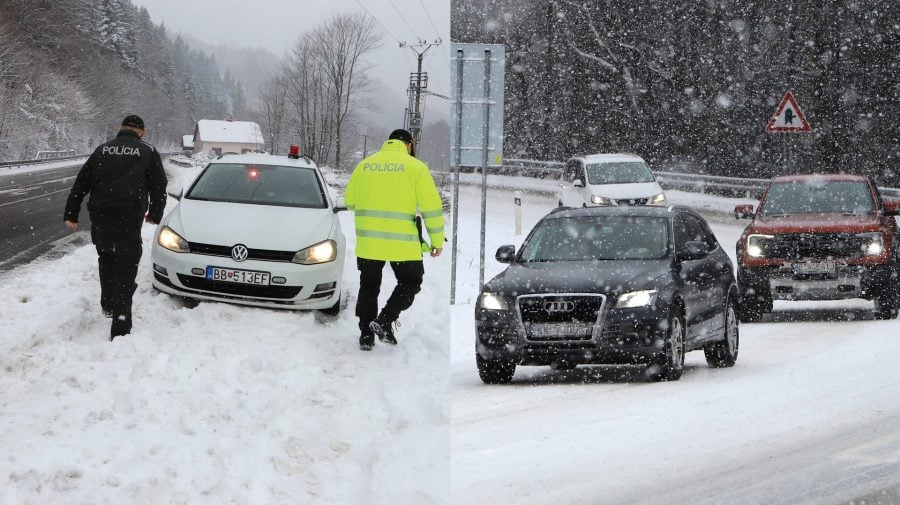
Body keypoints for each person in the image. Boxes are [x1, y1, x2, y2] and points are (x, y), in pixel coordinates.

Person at [63, 115, 167, 340]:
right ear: (142, 131)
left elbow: (81, 183)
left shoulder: (103, 150)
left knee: (106, 257)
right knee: (126, 265)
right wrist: (155, 214)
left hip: (100, 213)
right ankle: (120, 325)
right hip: (129, 215)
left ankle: (108, 304)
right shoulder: (147, 150)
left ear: (121, 129)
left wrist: (71, 213)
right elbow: (159, 185)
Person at [344, 129, 445, 351]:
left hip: (370, 243)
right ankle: (384, 320)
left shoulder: (365, 165)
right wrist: (437, 241)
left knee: (369, 287)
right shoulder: (416, 168)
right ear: (409, 145)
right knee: (411, 282)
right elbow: (432, 208)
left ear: (388, 142)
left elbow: (350, 201)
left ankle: (365, 336)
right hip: (403, 244)